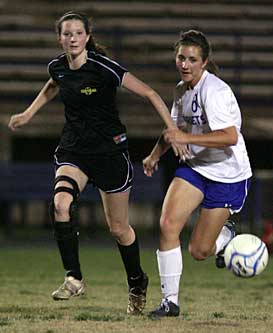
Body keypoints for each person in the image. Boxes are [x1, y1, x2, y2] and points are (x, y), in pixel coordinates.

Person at [8, 11, 182, 315]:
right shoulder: (58, 67)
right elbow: (52, 85)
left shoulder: (104, 67)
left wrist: (173, 131)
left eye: (78, 33)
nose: (72, 38)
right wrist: (27, 114)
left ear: (87, 36)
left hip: (110, 153)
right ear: (59, 38)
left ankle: (137, 281)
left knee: (118, 229)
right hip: (74, 150)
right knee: (61, 204)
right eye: (66, 33)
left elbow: (151, 93)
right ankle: (74, 277)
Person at [143, 30, 252, 317]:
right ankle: (170, 302)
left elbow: (229, 136)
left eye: (192, 59)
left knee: (199, 251)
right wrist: (155, 155)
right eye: (181, 57)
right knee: (167, 224)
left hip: (228, 175)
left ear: (204, 62)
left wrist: (186, 139)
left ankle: (225, 237)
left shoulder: (215, 91)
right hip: (195, 168)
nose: (185, 64)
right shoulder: (181, 90)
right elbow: (173, 132)